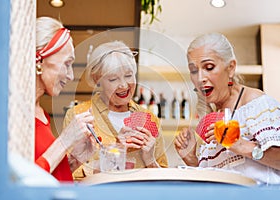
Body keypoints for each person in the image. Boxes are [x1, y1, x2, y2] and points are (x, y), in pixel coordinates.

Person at [174, 33, 280, 184]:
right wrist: (192, 160)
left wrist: (239, 144)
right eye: (194, 70)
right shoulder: (212, 118)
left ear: (231, 68)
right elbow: (223, 177)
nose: (200, 78)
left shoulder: (257, 104)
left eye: (209, 67)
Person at [63, 41, 168, 178]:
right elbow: (66, 174)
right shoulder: (79, 115)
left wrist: (150, 160)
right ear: (97, 80)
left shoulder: (149, 118)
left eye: (129, 75)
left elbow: (164, 179)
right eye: (113, 79)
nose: (124, 85)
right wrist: (115, 151)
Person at [35, 17, 96, 182]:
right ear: (40, 60)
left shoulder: (41, 113)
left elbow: (48, 176)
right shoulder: (14, 114)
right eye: (66, 63)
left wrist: (75, 160)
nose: (70, 76)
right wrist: (65, 140)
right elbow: (23, 183)